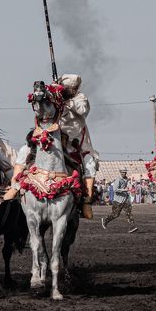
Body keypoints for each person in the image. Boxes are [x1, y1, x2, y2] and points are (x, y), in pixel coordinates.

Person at [57, 74, 98, 219]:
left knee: (90, 164)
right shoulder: (55, 96)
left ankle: (87, 201)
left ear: (74, 88)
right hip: (55, 138)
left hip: (77, 143)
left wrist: (66, 102)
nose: (65, 90)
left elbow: (82, 110)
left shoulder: (81, 98)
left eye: (68, 88)